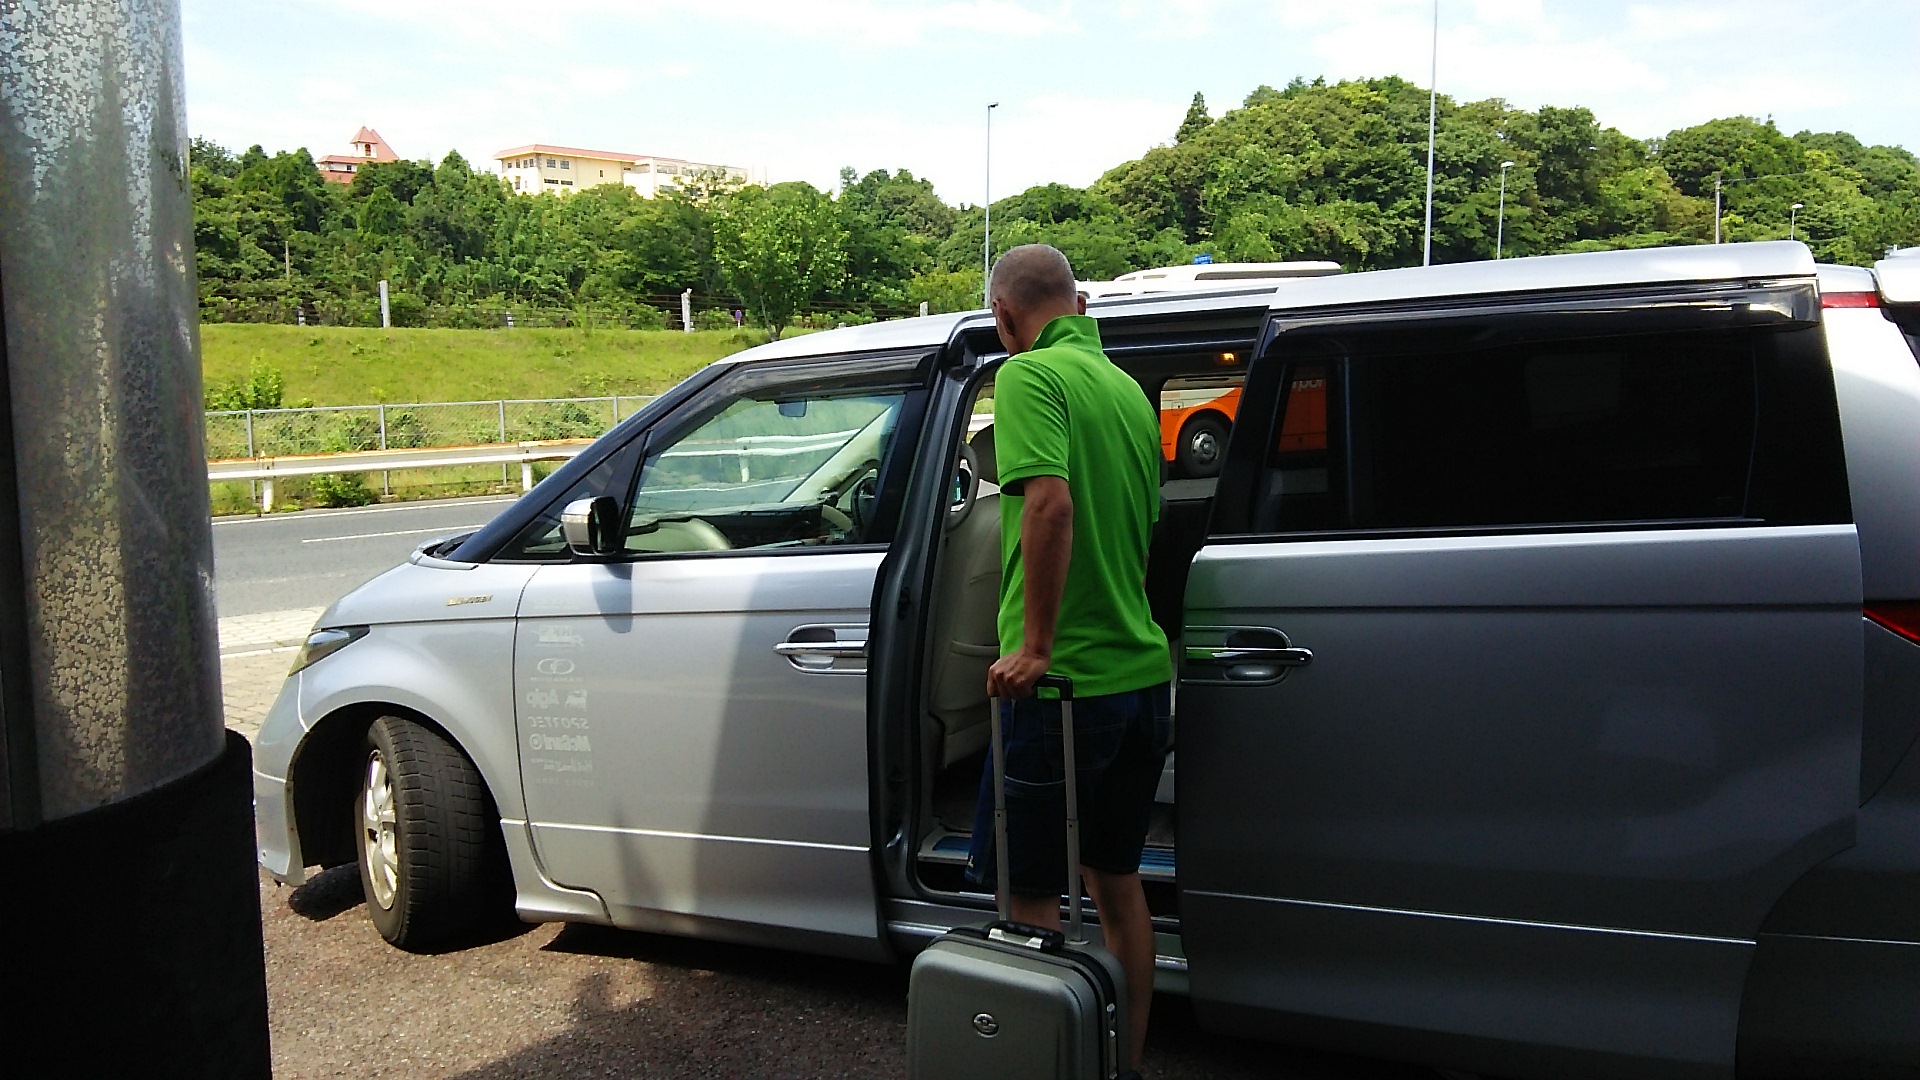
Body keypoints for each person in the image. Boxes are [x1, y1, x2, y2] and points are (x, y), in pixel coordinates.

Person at [966, 243, 1172, 1068]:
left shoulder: (1025, 378)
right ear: (1079, 305)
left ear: (1005, 318)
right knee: (1117, 883)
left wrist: (1036, 648)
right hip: (1139, 679)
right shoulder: (1124, 390)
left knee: (1029, 895)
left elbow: (1048, 506)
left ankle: (1043, 1063)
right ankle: (1119, 1064)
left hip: (1063, 690)